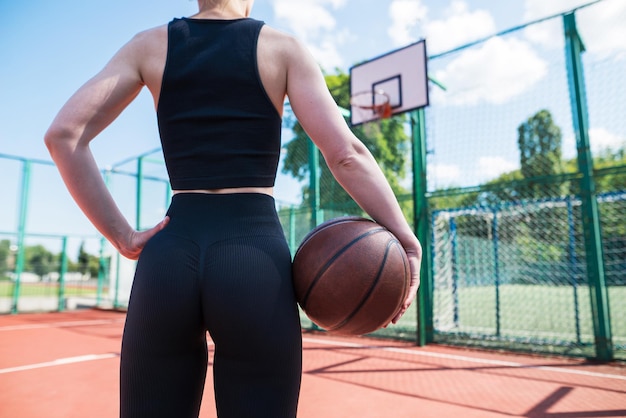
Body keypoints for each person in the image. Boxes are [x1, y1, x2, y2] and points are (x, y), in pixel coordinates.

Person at [44, 0, 422, 416]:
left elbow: (64, 135)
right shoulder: (282, 48)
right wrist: (407, 242)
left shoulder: (148, 45)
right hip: (254, 257)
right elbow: (345, 155)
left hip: (169, 253)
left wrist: (123, 236)